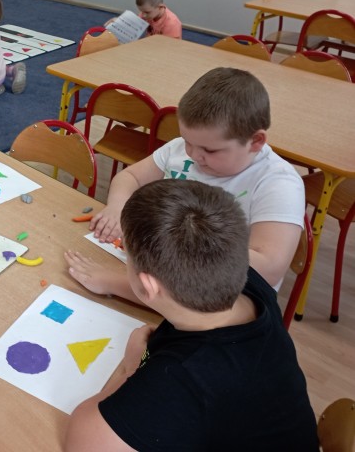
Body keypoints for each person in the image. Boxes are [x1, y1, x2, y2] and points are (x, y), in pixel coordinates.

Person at [64, 180, 319, 452]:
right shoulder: (249, 284)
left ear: (149, 286)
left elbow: (82, 442)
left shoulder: (183, 379)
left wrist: (132, 369)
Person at [66, 68, 304, 298]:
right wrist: (118, 207)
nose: (193, 155)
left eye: (210, 150)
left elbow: (269, 268)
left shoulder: (278, 184)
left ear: (256, 141)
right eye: (187, 141)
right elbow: (130, 177)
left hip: (224, 297)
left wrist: (170, 250)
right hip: (154, 271)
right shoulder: (180, 149)